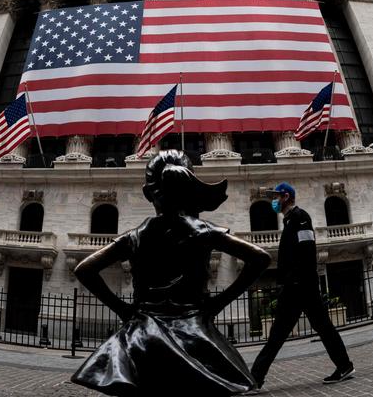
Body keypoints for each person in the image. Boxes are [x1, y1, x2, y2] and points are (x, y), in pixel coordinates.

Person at [71, 150, 271, 396]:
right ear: (190, 188)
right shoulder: (204, 231)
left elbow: (85, 269)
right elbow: (260, 258)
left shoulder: (135, 237)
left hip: (141, 336)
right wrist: (218, 303)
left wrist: (123, 310)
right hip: (195, 335)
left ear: (148, 193)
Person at [250, 182, 354, 392]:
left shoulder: (301, 217)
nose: (274, 201)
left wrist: (295, 281)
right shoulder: (290, 220)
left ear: (286, 196)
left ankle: (255, 379)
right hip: (297, 287)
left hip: (300, 287)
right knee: (317, 328)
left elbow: (307, 251)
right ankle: (344, 366)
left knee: (280, 334)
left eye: (276, 197)